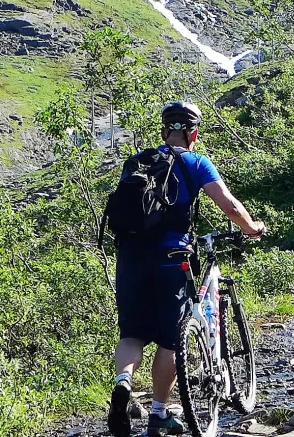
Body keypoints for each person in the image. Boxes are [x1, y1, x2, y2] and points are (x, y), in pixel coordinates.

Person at [108, 101, 266, 437]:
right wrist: (252, 227)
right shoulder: (195, 162)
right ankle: (159, 413)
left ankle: (123, 384)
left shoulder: (136, 162)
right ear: (193, 133)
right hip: (171, 258)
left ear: (164, 131)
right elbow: (229, 205)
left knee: (132, 334)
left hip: (130, 258)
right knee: (171, 338)